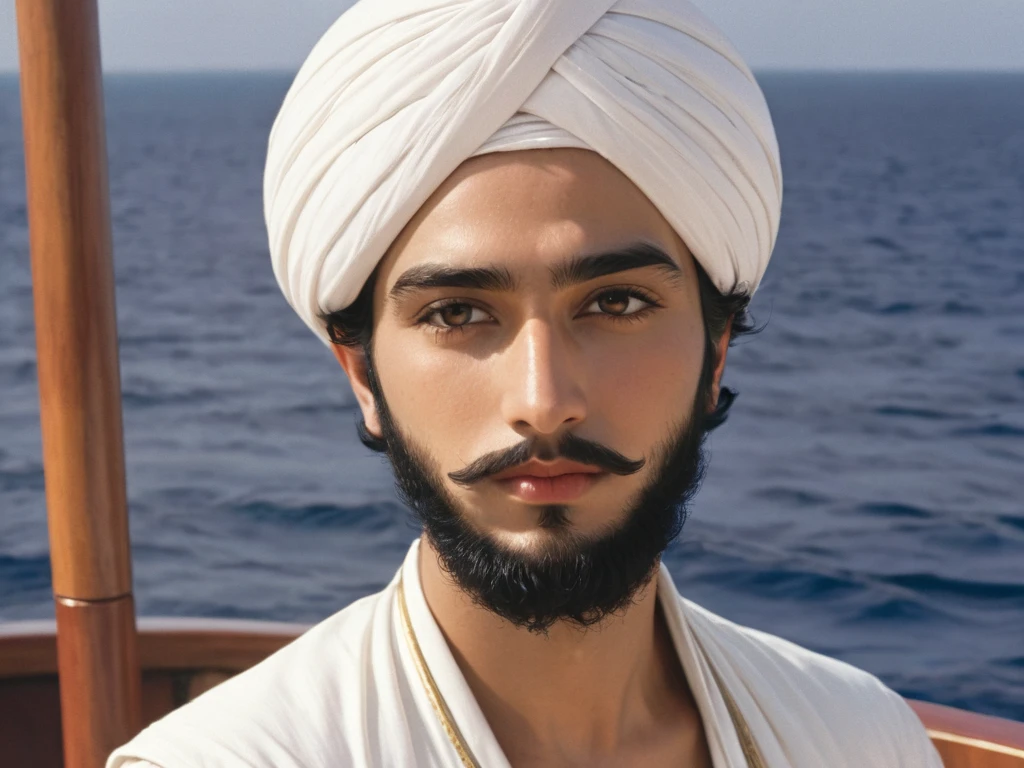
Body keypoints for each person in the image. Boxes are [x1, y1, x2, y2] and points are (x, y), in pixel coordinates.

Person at [109, 0, 943, 765]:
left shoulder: (858, 737)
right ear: (362, 374)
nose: (542, 401)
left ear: (716, 351)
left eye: (616, 303)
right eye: (458, 313)